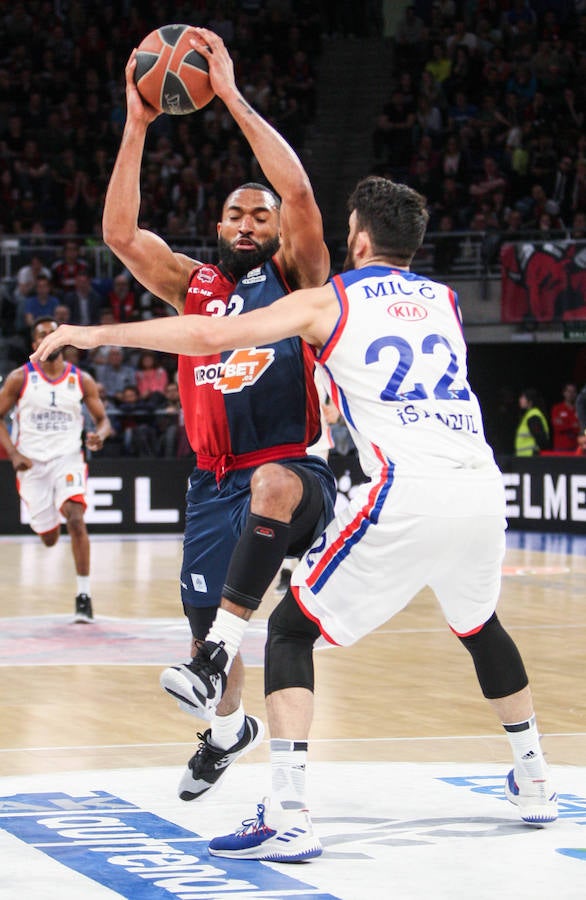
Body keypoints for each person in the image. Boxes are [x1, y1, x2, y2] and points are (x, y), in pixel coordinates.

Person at [32, 176, 558, 860]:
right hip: (483, 492)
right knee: (480, 625)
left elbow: (207, 333)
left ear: (358, 239)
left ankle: (287, 811)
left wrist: (92, 332)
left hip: (401, 493)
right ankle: (535, 778)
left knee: (287, 631)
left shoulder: (329, 297)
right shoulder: (448, 302)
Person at [96, 29, 336, 803]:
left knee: (268, 527)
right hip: (211, 483)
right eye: (236, 215)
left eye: (259, 216)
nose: (248, 225)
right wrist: (137, 123)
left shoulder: (297, 277)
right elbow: (120, 235)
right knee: (208, 640)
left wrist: (229, 96)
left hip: (287, 469)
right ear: (219, 226)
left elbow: (301, 198)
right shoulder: (192, 285)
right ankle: (227, 732)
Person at [1, 316, 111, 622]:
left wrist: (99, 436)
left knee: (76, 518)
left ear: (63, 339)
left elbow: (103, 420)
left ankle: (84, 596)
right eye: (42, 335)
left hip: (68, 458)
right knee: (49, 538)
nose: (49, 337)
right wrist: (13, 454)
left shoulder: (81, 379)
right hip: (31, 463)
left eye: (54, 333)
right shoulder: (20, 378)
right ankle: (48, 524)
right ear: (35, 344)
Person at [515, 388, 551, 456]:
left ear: (530, 401)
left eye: (523, 398)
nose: (520, 400)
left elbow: (540, 438)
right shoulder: (529, 415)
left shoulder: (533, 416)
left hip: (531, 456)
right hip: (526, 456)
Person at [550, 382, 580, 452]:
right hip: (561, 447)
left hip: (577, 447)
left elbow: (582, 427)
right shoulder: (557, 408)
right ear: (564, 393)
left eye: (573, 391)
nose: (571, 394)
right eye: (569, 391)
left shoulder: (580, 409)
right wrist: (573, 426)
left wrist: (565, 424)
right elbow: (558, 427)